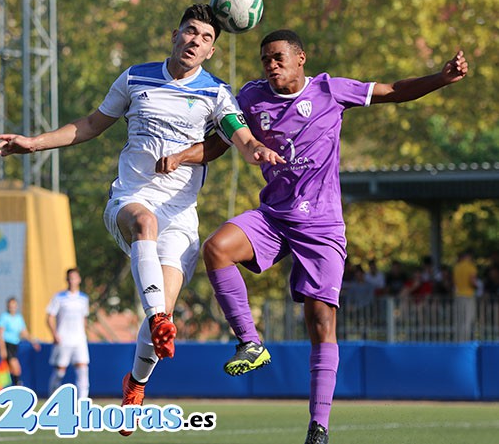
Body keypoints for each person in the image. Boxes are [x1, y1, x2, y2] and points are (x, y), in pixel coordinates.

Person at [0, 4, 283, 435]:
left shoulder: (218, 93)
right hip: (130, 199)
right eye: (190, 32)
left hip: (181, 216)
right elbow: (91, 124)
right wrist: (33, 144)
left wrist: (254, 148)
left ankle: (136, 381)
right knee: (145, 229)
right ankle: (160, 320)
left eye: (205, 38)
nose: (194, 41)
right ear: (174, 35)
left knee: (156, 315)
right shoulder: (135, 77)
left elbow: (237, 135)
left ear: (211, 52)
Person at [165, 29, 468, 444]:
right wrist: (183, 156)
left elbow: (393, 90)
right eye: (265, 59)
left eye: (278, 57)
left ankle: (318, 427)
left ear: (300, 57)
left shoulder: (330, 90)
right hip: (273, 215)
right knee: (217, 248)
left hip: (321, 226)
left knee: (321, 321)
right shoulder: (251, 98)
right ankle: (250, 342)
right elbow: (221, 143)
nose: (271, 65)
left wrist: (441, 77)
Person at [46, 268, 90, 399]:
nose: (72, 281)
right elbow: (49, 317)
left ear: (79, 279)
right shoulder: (59, 297)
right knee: (60, 371)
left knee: (83, 369)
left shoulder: (83, 298)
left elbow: (84, 318)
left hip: (79, 340)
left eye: (75, 278)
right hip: (64, 339)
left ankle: (82, 401)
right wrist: (55, 334)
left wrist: (84, 334)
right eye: (70, 278)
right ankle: (53, 399)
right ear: (67, 280)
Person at [0, 297, 41, 387]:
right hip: (7, 344)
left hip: (15, 345)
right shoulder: (4, 317)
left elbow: (24, 332)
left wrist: (33, 341)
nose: (12, 307)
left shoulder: (19, 318)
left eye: (14, 305)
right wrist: (2, 349)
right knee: (16, 368)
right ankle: (18, 386)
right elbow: (0, 334)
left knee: (10, 370)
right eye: (10, 306)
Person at [452, 249, 478, 341]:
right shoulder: (471, 267)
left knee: (458, 320)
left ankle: (457, 341)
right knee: (468, 320)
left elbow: (455, 282)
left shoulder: (457, 267)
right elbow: (472, 281)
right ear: (469, 256)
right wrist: (478, 286)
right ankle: (465, 342)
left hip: (458, 296)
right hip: (468, 296)